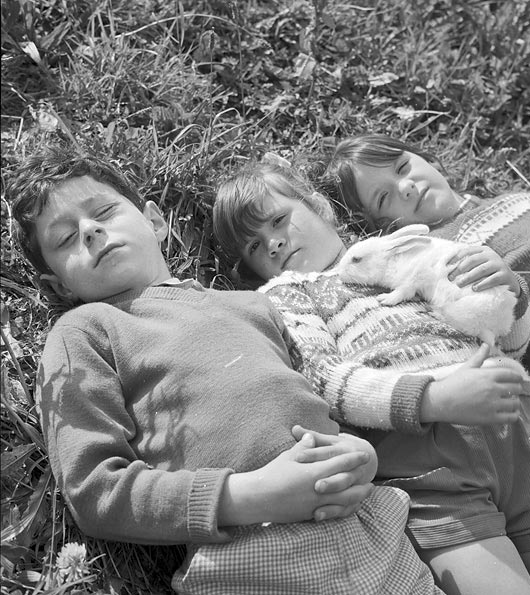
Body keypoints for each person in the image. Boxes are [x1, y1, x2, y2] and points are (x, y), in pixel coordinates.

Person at [7, 146, 444, 595]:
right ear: (56, 285)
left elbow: (331, 391)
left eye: (103, 211)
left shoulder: (257, 305)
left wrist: (360, 454)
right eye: (64, 239)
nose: (91, 230)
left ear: (155, 222)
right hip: (249, 561)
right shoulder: (84, 331)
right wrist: (251, 494)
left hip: (375, 538)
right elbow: (94, 490)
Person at [212, 160, 530, 595]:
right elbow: (325, 381)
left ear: (320, 206)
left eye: (279, 220)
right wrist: (431, 398)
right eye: (254, 247)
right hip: (432, 471)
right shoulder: (287, 296)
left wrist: (510, 295)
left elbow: (505, 346)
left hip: (523, 439)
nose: (274, 242)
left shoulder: (414, 250)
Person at [323, 133, 530, 486]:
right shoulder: (430, 254)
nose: (405, 187)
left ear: (429, 159)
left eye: (403, 167)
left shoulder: (516, 200)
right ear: (382, 229)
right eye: (384, 197)